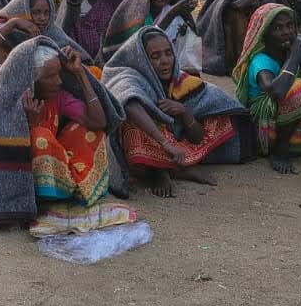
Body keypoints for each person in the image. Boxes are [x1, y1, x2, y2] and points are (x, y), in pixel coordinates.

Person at [0, 39, 125, 229]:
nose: (59, 81)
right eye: (50, 77)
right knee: (40, 136)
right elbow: (2, 154)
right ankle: (43, 199)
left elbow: (98, 122)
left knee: (86, 132)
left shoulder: (58, 96)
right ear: (31, 80)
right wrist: (30, 125)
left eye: (59, 74)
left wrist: (80, 73)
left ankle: (73, 188)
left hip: (57, 166)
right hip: (18, 179)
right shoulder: (4, 103)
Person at [104, 27, 251, 198]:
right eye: (155, 56)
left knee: (218, 118)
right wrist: (166, 144)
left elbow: (198, 137)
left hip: (179, 144)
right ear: (141, 59)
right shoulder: (127, 76)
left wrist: (184, 112)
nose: (165, 61)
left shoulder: (182, 81)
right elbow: (129, 104)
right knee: (131, 126)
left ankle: (174, 168)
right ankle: (160, 171)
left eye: (168, 53)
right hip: (155, 142)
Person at [233, 3, 301, 175]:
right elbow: (276, 91)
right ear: (265, 33)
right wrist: (295, 56)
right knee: (299, 88)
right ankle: (280, 151)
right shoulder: (260, 61)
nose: (286, 32)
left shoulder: (286, 53)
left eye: (290, 26)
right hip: (263, 130)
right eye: (278, 28)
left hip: (282, 123)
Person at [98, 0, 202, 71]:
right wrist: (172, 13)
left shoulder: (177, 18)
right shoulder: (135, 13)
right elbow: (142, 44)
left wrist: (183, 34)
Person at [0, 0, 90, 64]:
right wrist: (13, 23)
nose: (42, 18)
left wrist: (70, 55)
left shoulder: (52, 31)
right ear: (24, 10)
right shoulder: (5, 26)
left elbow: (84, 59)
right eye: (36, 13)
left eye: (46, 13)